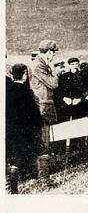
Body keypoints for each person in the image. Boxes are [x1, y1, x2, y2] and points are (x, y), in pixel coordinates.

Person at [6, 64, 43, 192]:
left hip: (10, 131)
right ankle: (46, 182)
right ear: (25, 74)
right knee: (42, 151)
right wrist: (39, 123)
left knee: (14, 159)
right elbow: (34, 113)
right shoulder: (27, 92)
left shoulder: (6, 91)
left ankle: (13, 189)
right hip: (27, 131)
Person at [30, 39, 59, 153]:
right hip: (42, 103)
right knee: (44, 133)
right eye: (54, 53)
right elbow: (53, 83)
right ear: (49, 52)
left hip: (44, 102)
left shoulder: (40, 64)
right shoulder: (39, 65)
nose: (54, 56)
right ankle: (44, 161)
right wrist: (53, 69)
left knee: (45, 132)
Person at [55, 57, 87, 123]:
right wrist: (64, 98)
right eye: (72, 64)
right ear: (69, 65)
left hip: (79, 104)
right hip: (67, 104)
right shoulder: (63, 77)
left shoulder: (83, 76)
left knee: (80, 123)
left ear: (78, 65)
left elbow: (86, 91)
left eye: (76, 64)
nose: (74, 66)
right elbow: (59, 91)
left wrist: (80, 99)